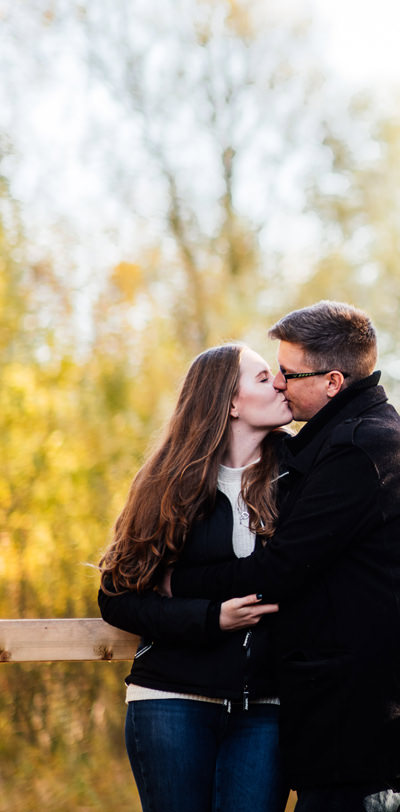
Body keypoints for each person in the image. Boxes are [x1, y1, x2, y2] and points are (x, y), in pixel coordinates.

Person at [167, 301, 400, 812]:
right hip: (338, 722)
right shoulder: (333, 440)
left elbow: (281, 570)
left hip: (365, 726)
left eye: (289, 375)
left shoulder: (362, 447)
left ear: (333, 382)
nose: (279, 385)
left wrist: (176, 584)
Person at [99, 343, 292, 812]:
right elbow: (117, 597)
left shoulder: (301, 473)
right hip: (170, 701)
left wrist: (182, 584)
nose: (281, 383)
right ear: (229, 401)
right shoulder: (167, 481)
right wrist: (211, 618)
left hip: (269, 706)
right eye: (264, 378)